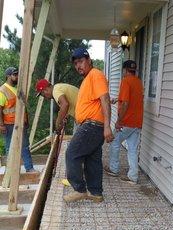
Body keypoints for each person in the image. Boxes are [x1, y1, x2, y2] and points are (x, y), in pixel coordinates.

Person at [64, 48, 113, 203]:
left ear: (89, 60)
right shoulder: (88, 78)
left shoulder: (96, 75)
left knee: (72, 153)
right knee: (93, 159)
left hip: (93, 125)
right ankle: (96, 193)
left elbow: (105, 99)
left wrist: (107, 126)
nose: (78, 65)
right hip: (93, 126)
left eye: (81, 61)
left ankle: (79, 189)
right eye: (75, 63)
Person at [105, 60, 144, 184]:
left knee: (114, 142)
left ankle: (114, 169)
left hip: (126, 122)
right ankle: (133, 176)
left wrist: (119, 121)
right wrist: (118, 99)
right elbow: (132, 98)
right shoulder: (138, 82)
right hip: (137, 122)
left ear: (125, 70)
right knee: (132, 149)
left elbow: (126, 103)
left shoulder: (126, 81)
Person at [35, 79, 79, 186]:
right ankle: (83, 176)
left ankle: (74, 179)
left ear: (45, 90)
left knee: (73, 150)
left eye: (42, 95)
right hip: (86, 116)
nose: (44, 97)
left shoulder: (56, 91)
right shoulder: (59, 87)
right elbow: (70, 103)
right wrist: (65, 115)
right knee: (81, 149)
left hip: (86, 118)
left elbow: (65, 105)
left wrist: (58, 122)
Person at [0, 67, 35, 172]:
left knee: (25, 146)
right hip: (9, 124)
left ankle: (29, 168)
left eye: (17, 74)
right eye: (15, 74)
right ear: (8, 76)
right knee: (10, 148)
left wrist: (26, 120)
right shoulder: (2, 90)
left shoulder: (18, 89)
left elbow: (23, 107)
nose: (17, 76)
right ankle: (9, 172)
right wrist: (1, 125)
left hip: (21, 123)